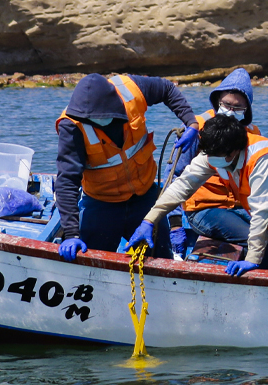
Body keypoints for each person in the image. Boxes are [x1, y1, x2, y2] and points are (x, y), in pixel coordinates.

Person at [129, 115, 268, 277]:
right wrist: (149, 221)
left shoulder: (263, 158)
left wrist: (253, 259)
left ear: (233, 152)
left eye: (216, 156)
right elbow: (182, 186)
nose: (210, 160)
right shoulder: (216, 153)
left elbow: (261, 212)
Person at [53, 73, 197, 261]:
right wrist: (71, 234)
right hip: (102, 202)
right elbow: (67, 181)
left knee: (160, 258)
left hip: (144, 195)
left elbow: (166, 89)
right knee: (91, 260)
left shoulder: (131, 89)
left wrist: (191, 122)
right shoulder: (72, 126)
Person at [166, 68, 261, 256]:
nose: (231, 111)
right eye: (227, 104)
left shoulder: (252, 133)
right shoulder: (197, 128)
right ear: (218, 101)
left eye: (238, 108)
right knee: (254, 239)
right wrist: (175, 224)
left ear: (246, 110)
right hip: (204, 209)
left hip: (240, 206)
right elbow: (173, 174)